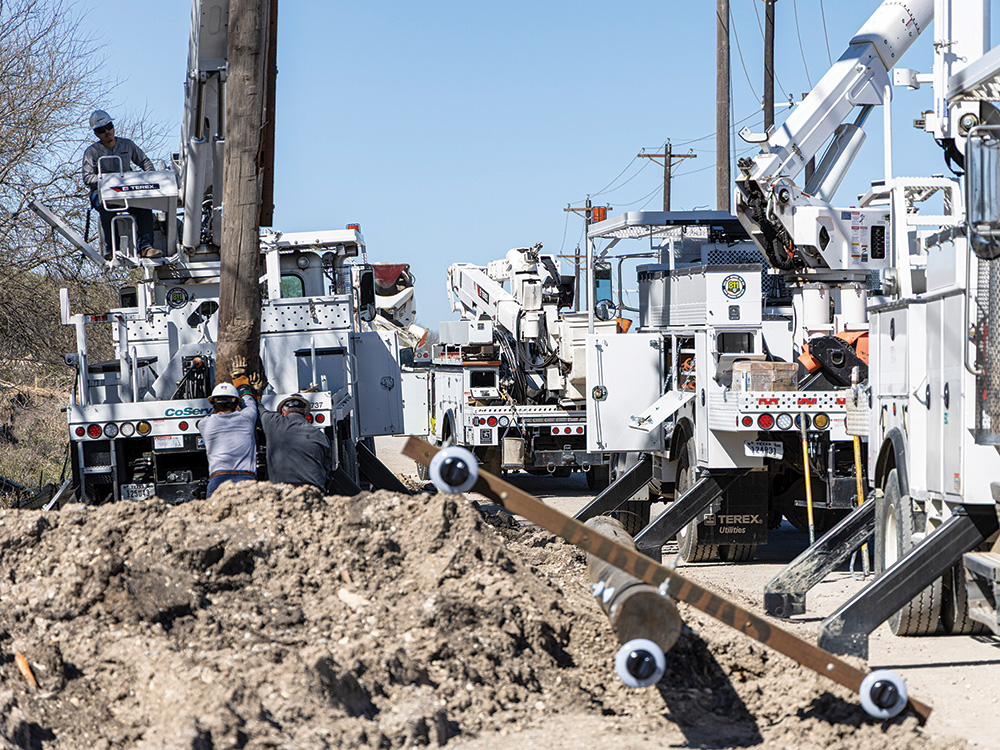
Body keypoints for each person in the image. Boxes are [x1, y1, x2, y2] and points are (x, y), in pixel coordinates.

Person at [81, 109, 160, 259]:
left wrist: (149, 178)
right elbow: (87, 177)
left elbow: (144, 162)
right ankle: (112, 249)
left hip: (127, 190)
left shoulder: (127, 145)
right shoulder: (92, 152)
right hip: (104, 192)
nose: (107, 132)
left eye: (109, 126)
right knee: (105, 207)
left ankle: (145, 247)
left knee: (144, 207)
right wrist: (108, 181)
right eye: (101, 130)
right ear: (96, 134)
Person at [251, 381, 332, 489]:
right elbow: (327, 468)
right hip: (312, 492)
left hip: (281, 491)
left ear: (283, 412)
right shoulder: (321, 437)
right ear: (305, 413)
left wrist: (249, 390)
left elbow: (258, 407)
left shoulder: (273, 423)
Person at [199, 357, 259, 497]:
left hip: (218, 480)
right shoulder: (247, 418)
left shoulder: (205, 424)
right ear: (235, 404)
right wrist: (240, 380)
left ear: (213, 405)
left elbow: (211, 415)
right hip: (246, 479)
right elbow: (248, 400)